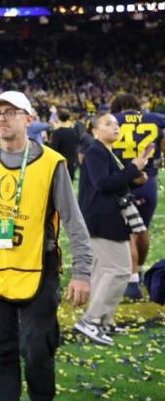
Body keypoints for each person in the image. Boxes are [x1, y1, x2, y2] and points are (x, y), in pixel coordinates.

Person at [0, 91, 92, 401]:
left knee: (37, 348)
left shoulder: (52, 163)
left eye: (11, 112)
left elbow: (73, 221)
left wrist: (82, 271)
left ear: (28, 118)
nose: (2, 119)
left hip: (38, 271)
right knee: (0, 352)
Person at [75, 112, 150, 344]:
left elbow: (112, 182)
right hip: (103, 217)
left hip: (102, 216)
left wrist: (133, 177)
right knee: (119, 270)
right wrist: (133, 168)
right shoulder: (96, 150)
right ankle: (91, 320)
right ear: (95, 130)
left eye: (116, 124)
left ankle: (104, 322)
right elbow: (103, 184)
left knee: (103, 271)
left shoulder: (106, 152)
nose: (115, 127)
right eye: (108, 124)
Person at [109, 94, 165, 299]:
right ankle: (139, 270)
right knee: (142, 230)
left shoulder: (112, 120)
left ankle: (131, 281)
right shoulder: (155, 119)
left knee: (125, 232)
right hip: (148, 180)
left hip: (122, 180)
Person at [48, 111, 81, 182]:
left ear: (59, 119)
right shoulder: (73, 131)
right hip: (71, 161)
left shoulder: (57, 132)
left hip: (60, 161)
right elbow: (77, 144)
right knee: (69, 183)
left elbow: (54, 148)